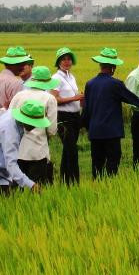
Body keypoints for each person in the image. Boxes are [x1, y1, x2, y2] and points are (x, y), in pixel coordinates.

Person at [81, 47, 139, 178]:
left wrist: (88, 127)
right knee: (112, 163)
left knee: (97, 164)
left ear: (100, 64)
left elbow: (86, 110)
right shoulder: (115, 84)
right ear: (113, 67)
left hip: (95, 131)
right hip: (111, 132)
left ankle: (96, 189)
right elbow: (132, 99)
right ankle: (110, 188)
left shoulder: (89, 84)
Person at [0, 103, 41, 199]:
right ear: (27, 121)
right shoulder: (10, 133)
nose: (35, 127)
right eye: (34, 124)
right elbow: (11, 164)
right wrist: (31, 185)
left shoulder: (11, 114)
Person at [10, 66, 59, 187]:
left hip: (17, 150)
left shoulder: (19, 96)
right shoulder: (49, 98)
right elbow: (52, 130)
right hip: (38, 151)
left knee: (17, 190)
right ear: (47, 82)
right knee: (38, 189)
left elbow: (9, 120)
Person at [50, 47, 83, 185]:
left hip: (75, 117)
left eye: (69, 59)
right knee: (72, 151)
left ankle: (65, 182)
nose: (67, 61)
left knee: (68, 151)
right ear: (58, 62)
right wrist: (74, 98)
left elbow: (73, 96)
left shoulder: (71, 76)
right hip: (63, 118)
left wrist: (80, 99)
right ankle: (74, 182)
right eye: (63, 59)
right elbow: (54, 99)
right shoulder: (56, 78)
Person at [0, 46, 33, 111]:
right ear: (16, 64)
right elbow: (18, 108)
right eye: (22, 64)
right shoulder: (16, 83)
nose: (22, 67)